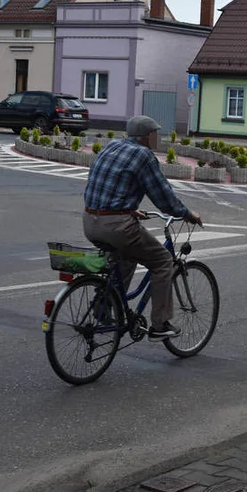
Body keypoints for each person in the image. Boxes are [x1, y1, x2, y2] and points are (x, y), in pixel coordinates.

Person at [82, 115, 203, 340]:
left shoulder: (112, 146)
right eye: (156, 134)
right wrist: (188, 214)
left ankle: (105, 305)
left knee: (126, 257)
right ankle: (160, 325)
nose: (159, 137)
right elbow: (163, 197)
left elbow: (103, 186)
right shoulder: (144, 155)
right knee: (163, 261)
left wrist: (127, 208)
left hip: (90, 221)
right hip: (116, 226)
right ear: (148, 137)